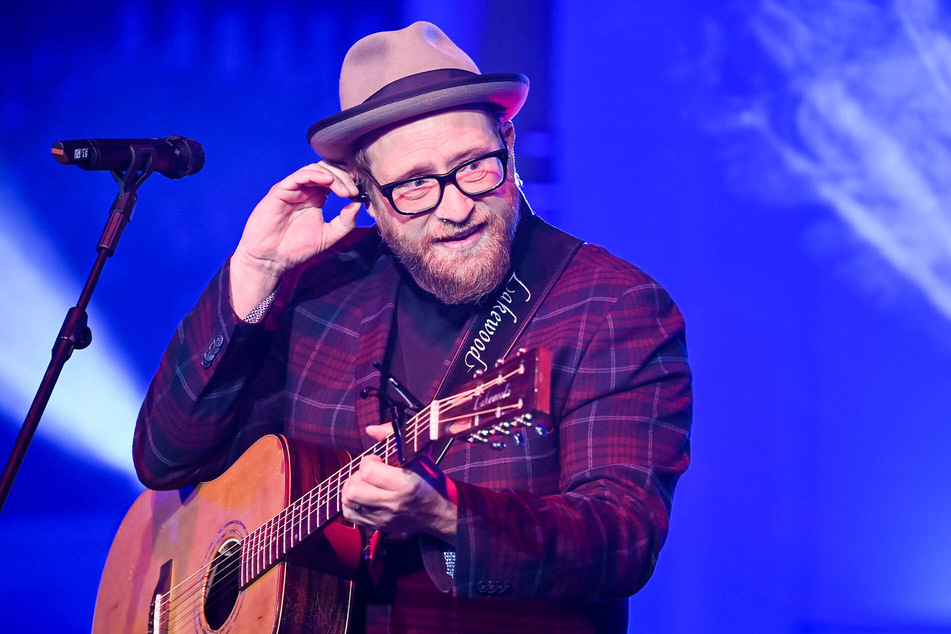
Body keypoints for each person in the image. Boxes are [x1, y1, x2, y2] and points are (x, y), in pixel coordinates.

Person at [133, 21, 692, 633]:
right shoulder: (321, 287)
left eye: (476, 166)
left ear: (507, 142)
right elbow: (166, 458)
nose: (456, 207)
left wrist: (448, 516)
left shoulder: (610, 305)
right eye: (416, 185)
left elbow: (623, 538)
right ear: (366, 195)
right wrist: (254, 271)